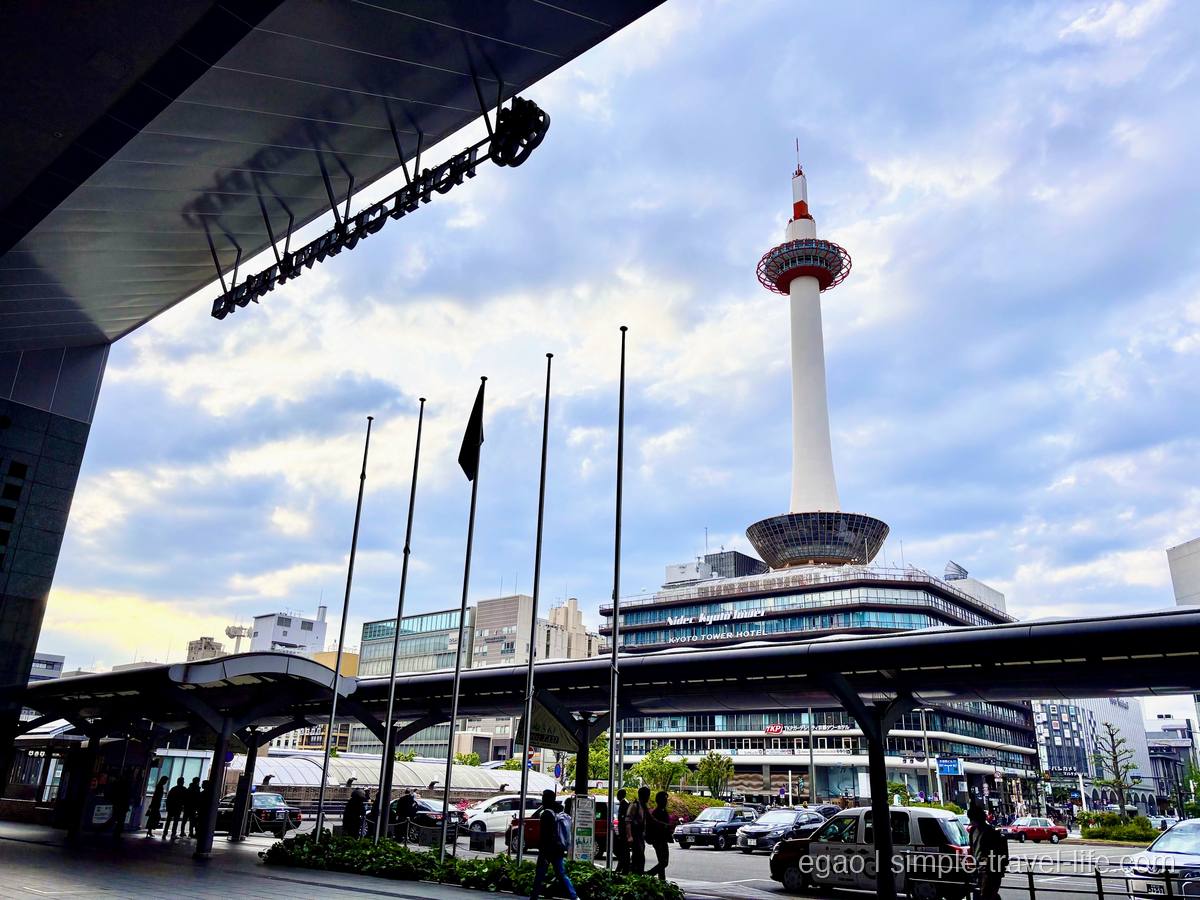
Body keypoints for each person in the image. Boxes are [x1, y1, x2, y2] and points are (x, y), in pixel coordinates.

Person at [529, 789, 577, 900]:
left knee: (540, 874)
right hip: (558, 849)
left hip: (547, 850)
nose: (542, 799)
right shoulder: (558, 811)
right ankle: (573, 896)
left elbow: (546, 835)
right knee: (561, 874)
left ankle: (534, 896)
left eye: (543, 797)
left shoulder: (546, 815)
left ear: (546, 799)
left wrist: (543, 851)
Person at [968, 800, 1008, 900]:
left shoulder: (990, 832)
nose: (971, 822)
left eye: (972, 819)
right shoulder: (973, 831)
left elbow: (992, 854)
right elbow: (973, 849)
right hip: (978, 869)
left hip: (990, 870)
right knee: (983, 895)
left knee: (985, 895)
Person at [645, 790, 671, 880]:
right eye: (665, 799)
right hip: (659, 840)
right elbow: (655, 826)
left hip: (661, 840)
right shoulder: (657, 812)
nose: (666, 801)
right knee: (664, 862)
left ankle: (662, 880)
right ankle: (648, 875)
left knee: (662, 862)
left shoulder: (662, 811)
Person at [626, 786, 650, 875]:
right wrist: (629, 836)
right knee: (638, 856)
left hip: (640, 835)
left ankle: (636, 873)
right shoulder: (634, 805)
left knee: (639, 856)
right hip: (635, 834)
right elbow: (628, 821)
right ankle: (634, 873)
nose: (648, 797)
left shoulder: (643, 806)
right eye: (647, 795)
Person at [614, 788, 630, 874]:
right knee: (624, 851)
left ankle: (624, 869)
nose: (617, 796)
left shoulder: (624, 804)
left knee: (623, 851)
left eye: (618, 794)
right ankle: (622, 869)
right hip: (623, 831)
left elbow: (623, 819)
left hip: (623, 831)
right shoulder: (624, 803)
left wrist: (621, 833)